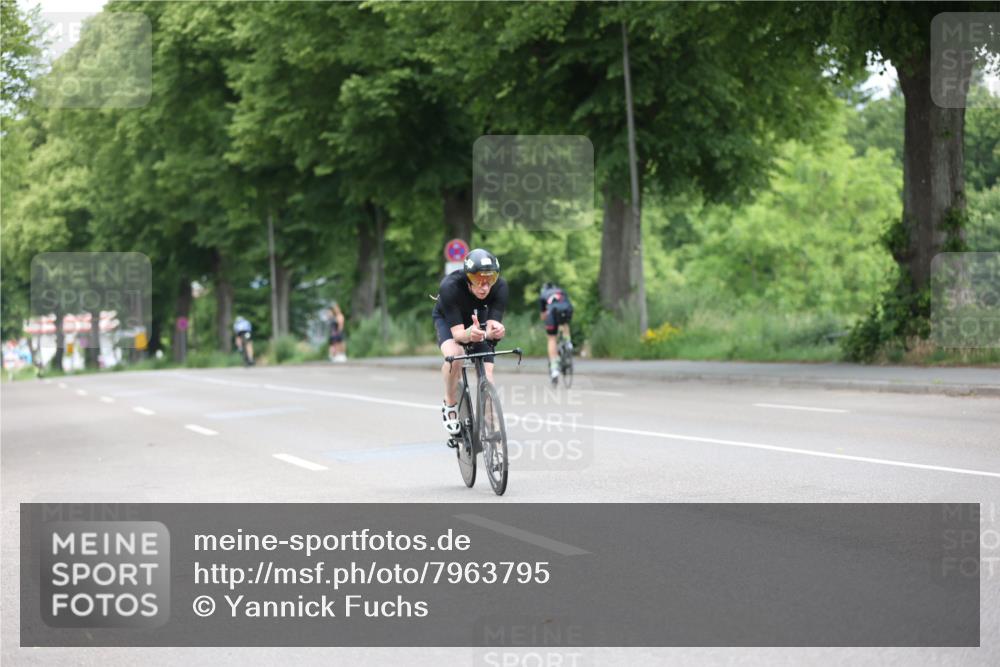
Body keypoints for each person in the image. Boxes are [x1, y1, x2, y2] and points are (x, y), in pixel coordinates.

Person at [432, 248, 508, 441]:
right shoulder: (450, 286)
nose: (484, 286)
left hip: (477, 318)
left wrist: (495, 330)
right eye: (478, 280)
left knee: (487, 374)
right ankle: (450, 404)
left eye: (489, 279)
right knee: (454, 356)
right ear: (467, 278)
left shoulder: (500, 287)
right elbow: (458, 335)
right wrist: (470, 334)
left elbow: (491, 324)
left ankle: (491, 424)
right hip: (450, 320)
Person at [539, 282, 573, 381]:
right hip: (567, 310)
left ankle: (554, 367)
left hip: (552, 313)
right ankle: (568, 342)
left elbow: (543, 316)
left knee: (551, 338)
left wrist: (546, 320)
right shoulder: (561, 291)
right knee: (564, 323)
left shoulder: (543, 295)